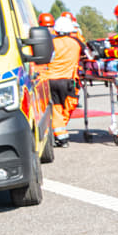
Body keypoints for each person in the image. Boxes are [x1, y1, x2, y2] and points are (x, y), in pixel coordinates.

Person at [42, 12, 83, 147]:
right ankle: (61, 134)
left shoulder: (50, 43)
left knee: (56, 108)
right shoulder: (76, 42)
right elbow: (88, 55)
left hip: (51, 80)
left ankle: (60, 134)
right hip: (68, 81)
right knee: (68, 106)